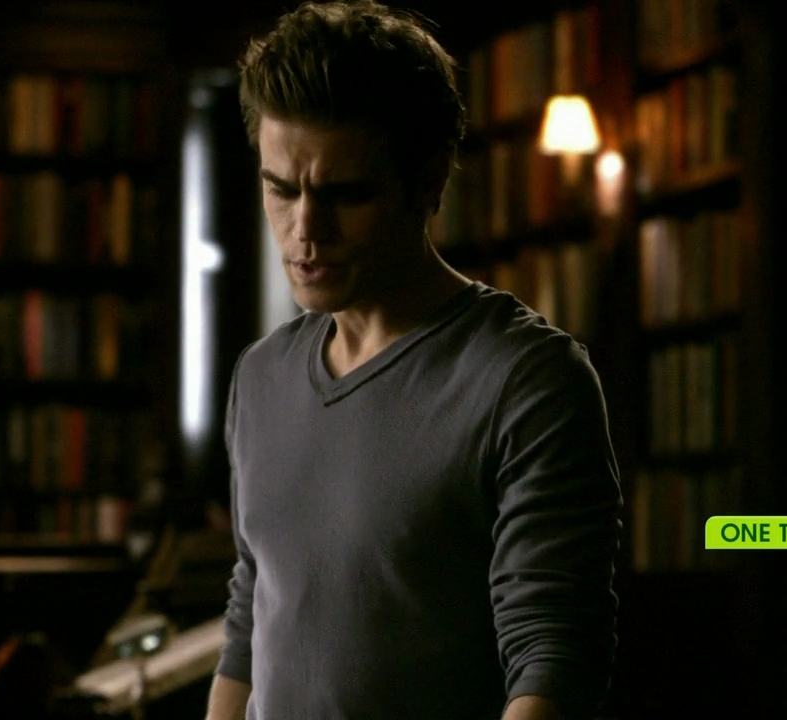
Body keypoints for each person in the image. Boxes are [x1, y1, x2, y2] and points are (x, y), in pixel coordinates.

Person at [204, 2, 622, 719]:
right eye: (281, 189)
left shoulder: (526, 380)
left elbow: (554, 660)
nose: (306, 230)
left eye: (345, 194)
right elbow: (251, 620)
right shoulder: (262, 375)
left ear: (428, 184)